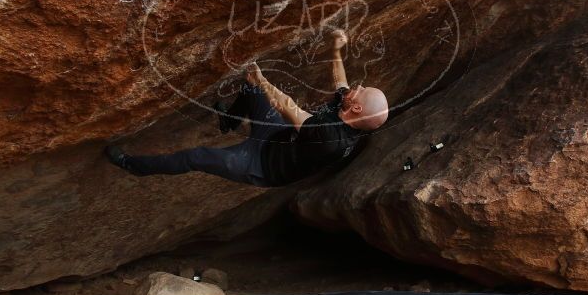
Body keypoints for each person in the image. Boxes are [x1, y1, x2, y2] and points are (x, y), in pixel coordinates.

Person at [105, 29, 389, 187]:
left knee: (197, 156)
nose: (357, 88)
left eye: (360, 92)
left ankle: (133, 165)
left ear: (355, 109)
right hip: (278, 137)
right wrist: (336, 49)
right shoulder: (351, 109)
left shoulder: (330, 138)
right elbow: (341, 82)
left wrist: (263, 79)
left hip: (262, 166)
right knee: (250, 88)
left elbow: (286, 106)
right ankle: (229, 121)